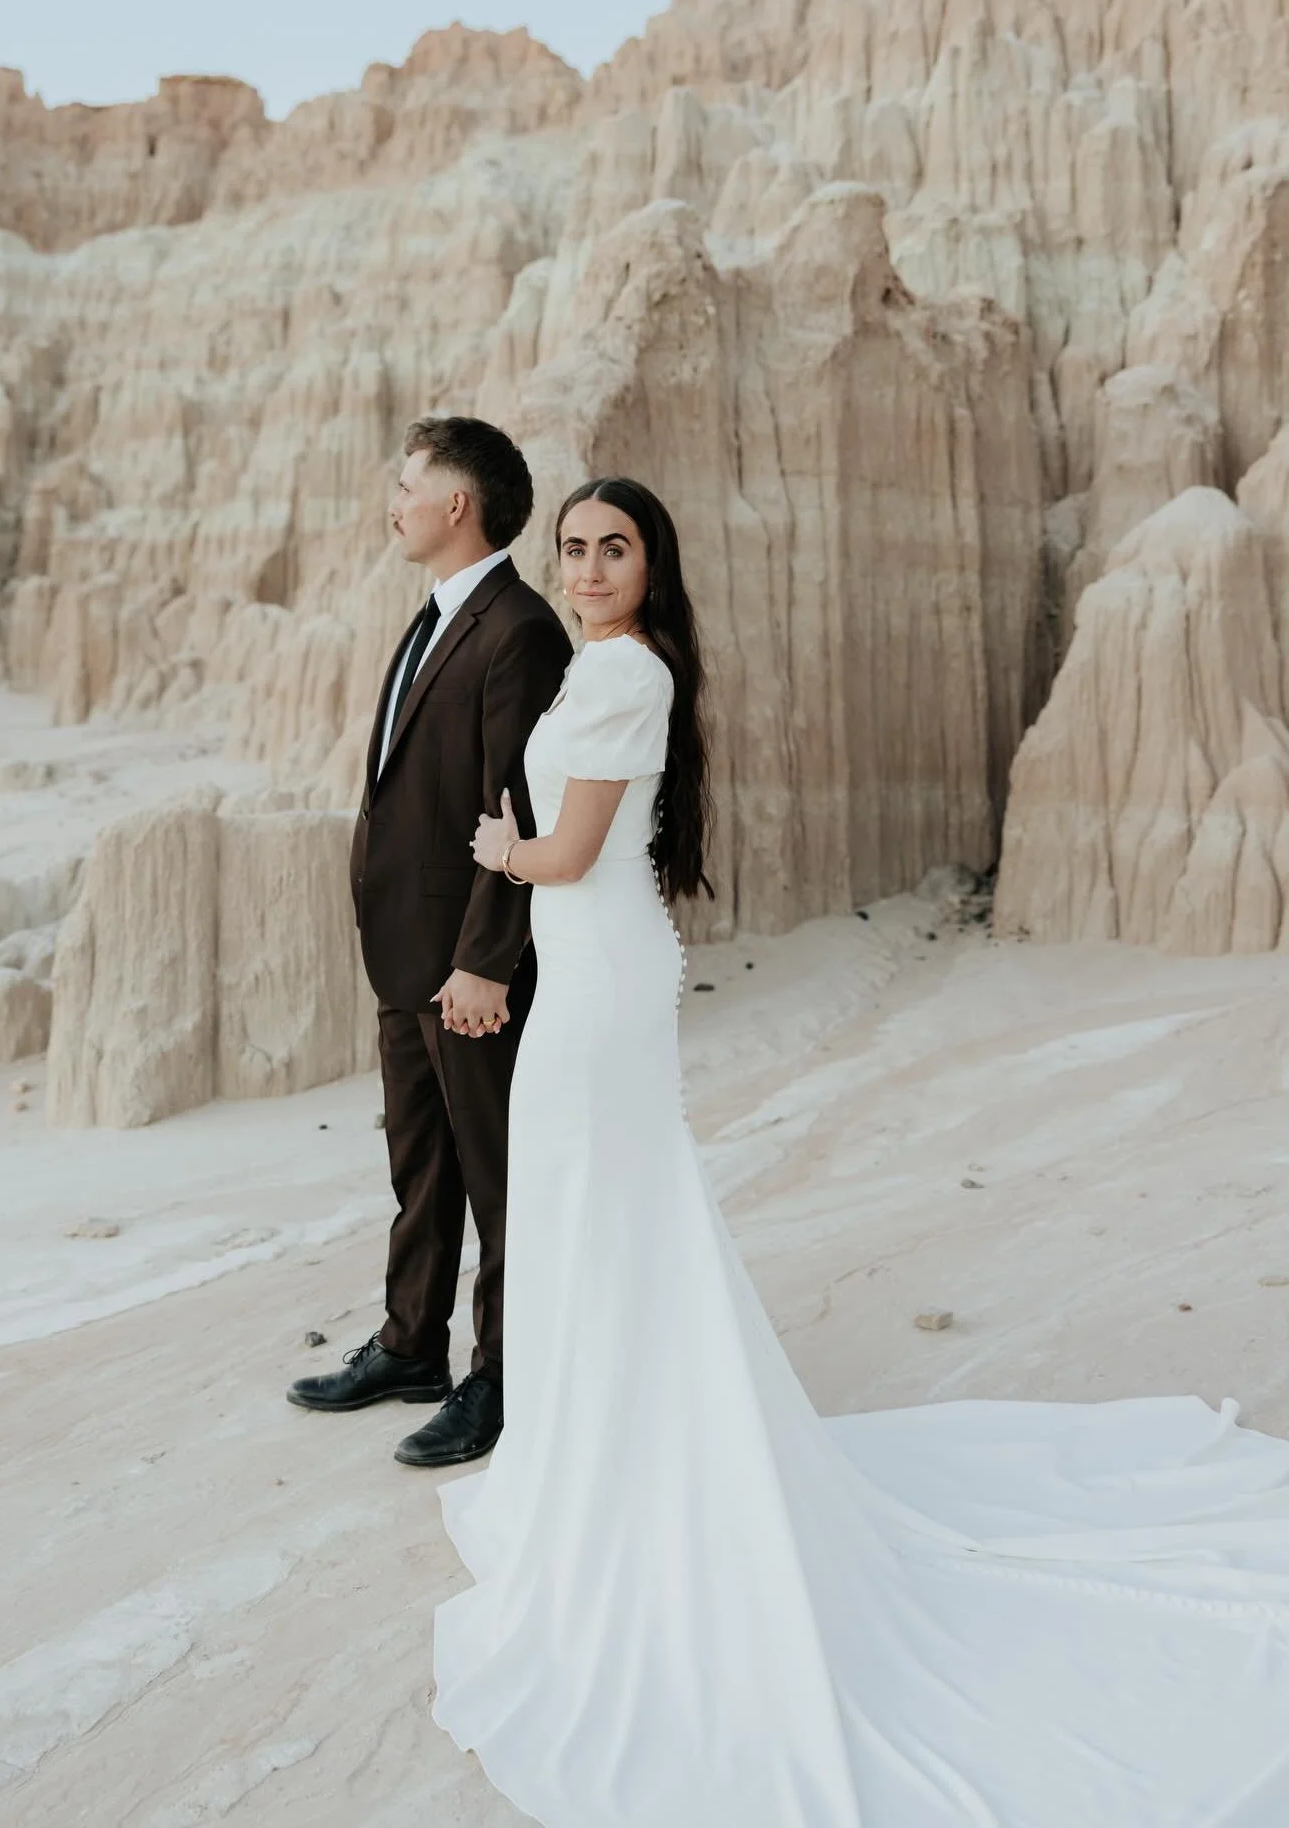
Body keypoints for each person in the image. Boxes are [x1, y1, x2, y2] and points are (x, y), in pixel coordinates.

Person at [430, 475, 1289, 1826]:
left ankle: (614, 1477)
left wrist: (498, 843)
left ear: (651, 567)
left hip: (592, 989)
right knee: (606, 1225)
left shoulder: (620, 680)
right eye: (577, 550)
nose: (590, 568)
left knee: (600, 1220)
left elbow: (571, 851)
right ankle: (597, 1456)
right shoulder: (613, 668)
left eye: (615, 549)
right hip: (598, 975)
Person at [286, 417, 571, 1468]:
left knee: (495, 1175)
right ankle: (413, 1345)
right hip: (407, 951)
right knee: (420, 1164)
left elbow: (519, 806)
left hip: (468, 964)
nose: (393, 500)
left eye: (408, 483)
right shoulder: (434, 619)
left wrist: (486, 960)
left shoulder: (520, 630)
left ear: (459, 504)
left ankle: (502, 1375)